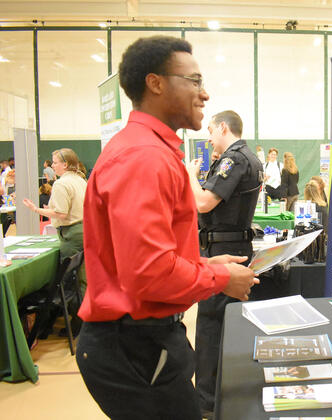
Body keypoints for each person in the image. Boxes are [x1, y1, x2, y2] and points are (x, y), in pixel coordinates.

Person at [75, 36, 258, 420]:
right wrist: (219, 276)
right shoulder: (145, 157)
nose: (204, 94)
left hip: (143, 339)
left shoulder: (151, 151)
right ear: (155, 83)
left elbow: (152, 257)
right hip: (134, 345)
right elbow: (150, 273)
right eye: (194, 81)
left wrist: (207, 265)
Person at [187, 109, 263, 418]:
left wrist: (189, 177)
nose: (208, 137)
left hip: (224, 249)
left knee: (210, 326)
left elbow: (204, 202)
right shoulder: (249, 158)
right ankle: (217, 394)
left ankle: (206, 402)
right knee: (223, 325)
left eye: (210, 131)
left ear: (222, 128)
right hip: (230, 245)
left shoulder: (234, 159)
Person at [23, 149, 87, 290]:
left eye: (55, 162)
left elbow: (61, 213)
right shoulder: (80, 180)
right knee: (82, 276)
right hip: (84, 230)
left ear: (65, 164)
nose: (52, 165)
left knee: (71, 280)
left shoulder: (61, 184)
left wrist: (36, 209)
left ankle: (76, 310)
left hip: (71, 234)